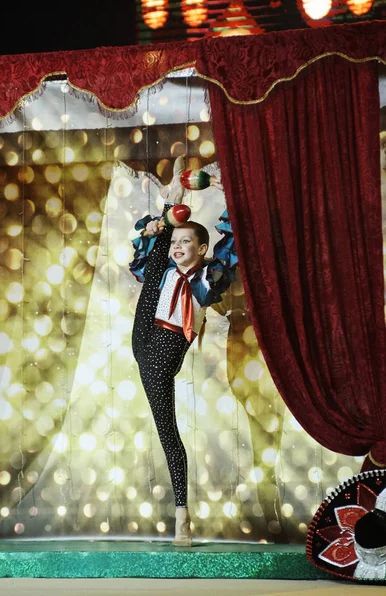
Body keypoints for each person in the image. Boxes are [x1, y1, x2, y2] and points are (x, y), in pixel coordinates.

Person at [129, 156, 237, 546]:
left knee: (168, 434)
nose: (179, 247)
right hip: (142, 334)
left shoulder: (207, 278)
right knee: (155, 256)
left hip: (162, 354)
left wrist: (229, 196)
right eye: (176, 242)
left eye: (186, 241)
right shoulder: (164, 269)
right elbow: (157, 245)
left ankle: (182, 514)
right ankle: (169, 198)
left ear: (202, 247)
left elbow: (232, 245)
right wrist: (167, 215)